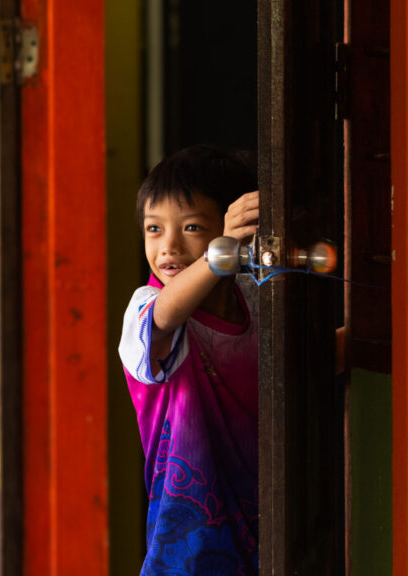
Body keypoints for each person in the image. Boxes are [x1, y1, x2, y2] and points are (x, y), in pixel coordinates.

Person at [119, 145, 260, 575]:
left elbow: (298, 367)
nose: (169, 247)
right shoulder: (147, 308)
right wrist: (223, 250)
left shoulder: (254, 298)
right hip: (188, 548)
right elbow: (165, 315)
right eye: (154, 229)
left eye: (192, 226)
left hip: (266, 525)